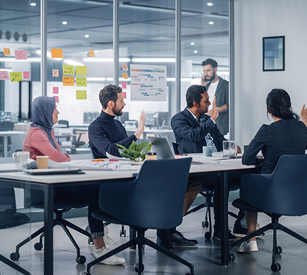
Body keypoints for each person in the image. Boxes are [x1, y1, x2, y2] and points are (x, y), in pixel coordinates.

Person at [87, 84, 200, 251]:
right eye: (121, 100)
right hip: (112, 182)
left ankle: (165, 233)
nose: (124, 104)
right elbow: (112, 152)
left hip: (130, 174)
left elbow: (128, 152)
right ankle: (104, 245)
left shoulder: (117, 125)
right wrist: (137, 133)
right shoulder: (95, 127)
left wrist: (143, 154)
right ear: (111, 104)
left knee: (172, 186)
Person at [23, 96, 125, 265]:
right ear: (45, 112)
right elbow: (59, 158)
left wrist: (63, 157)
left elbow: (60, 158)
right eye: (54, 108)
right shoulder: (37, 133)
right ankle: (99, 246)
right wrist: (63, 157)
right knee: (95, 191)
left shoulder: (46, 131)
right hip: (44, 190)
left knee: (97, 187)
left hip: (55, 182)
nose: (58, 112)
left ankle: (97, 230)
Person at [238, 89, 307, 253]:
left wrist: (262, 160)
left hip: (270, 193)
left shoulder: (267, 130)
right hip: (297, 194)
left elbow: (246, 159)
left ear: (268, 110)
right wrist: (304, 117)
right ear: (290, 107)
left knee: (249, 180)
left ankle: (251, 240)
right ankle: (249, 231)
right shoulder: (301, 127)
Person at [171, 84, 240, 241]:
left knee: (247, 178)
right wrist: (212, 120)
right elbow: (194, 135)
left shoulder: (206, 119)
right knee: (222, 182)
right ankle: (220, 231)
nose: (209, 104)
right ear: (195, 103)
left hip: (216, 167)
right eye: (206, 100)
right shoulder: (179, 120)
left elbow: (220, 140)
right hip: (197, 171)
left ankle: (238, 225)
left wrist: (232, 147)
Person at [201, 58, 229, 136]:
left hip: (221, 126)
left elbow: (229, 105)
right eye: (204, 71)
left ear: (215, 69)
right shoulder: (206, 87)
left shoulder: (226, 85)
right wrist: (202, 87)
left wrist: (214, 111)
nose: (206, 73)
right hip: (207, 125)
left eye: (208, 70)